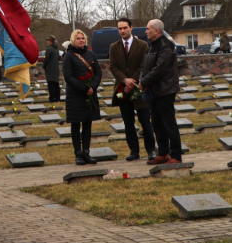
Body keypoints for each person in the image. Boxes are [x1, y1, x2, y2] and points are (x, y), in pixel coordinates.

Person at [108, 18, 155, 161]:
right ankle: (134, 151)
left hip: (140, 89)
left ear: (131, 28)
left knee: (145, 121)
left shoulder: (142, 45)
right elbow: (113, 67)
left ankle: (151, 150)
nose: (122, 31)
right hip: (123, 90)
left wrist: (132, 81)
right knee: (128, 122)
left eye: (125, 28)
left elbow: (144, 65)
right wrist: (124, 80)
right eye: (120, 29)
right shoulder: (114, 47)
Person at [139, 19, 183, 166]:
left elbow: (159, 68)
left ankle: (176, 155)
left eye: (148, 29)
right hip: (154, 90)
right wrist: (142, 80)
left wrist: (144, 82)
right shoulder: (152, 46)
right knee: (157, 124)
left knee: (168, 123)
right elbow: (146, 66)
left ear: (156, 30)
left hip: (165, 89)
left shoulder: (166, 45)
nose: (146, 31)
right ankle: (163, 153)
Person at [62, 29, 101, 166]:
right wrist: (84, 88)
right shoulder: (69, 56)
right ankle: (78, 154)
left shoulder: (91, 54)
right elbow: (68, 76)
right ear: (73, 40)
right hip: (75, 95)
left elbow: (98, 73)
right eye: (78, 38)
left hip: (89, 94)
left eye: (83, 38)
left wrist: (93, 87)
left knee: (87, 124)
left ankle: (86, 152)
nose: (81, 40)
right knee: (75, 124)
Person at [43, 36, 61, 103]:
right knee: (56, 84)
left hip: (50, 69)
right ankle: (57, 98)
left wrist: (44, 66)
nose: (47, 42)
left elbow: (46, 59)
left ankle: (52, 98)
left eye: (48, 40)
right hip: (56, 69)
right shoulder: (56, 49)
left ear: (50, 41)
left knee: (51, 85)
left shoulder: (49, 49)